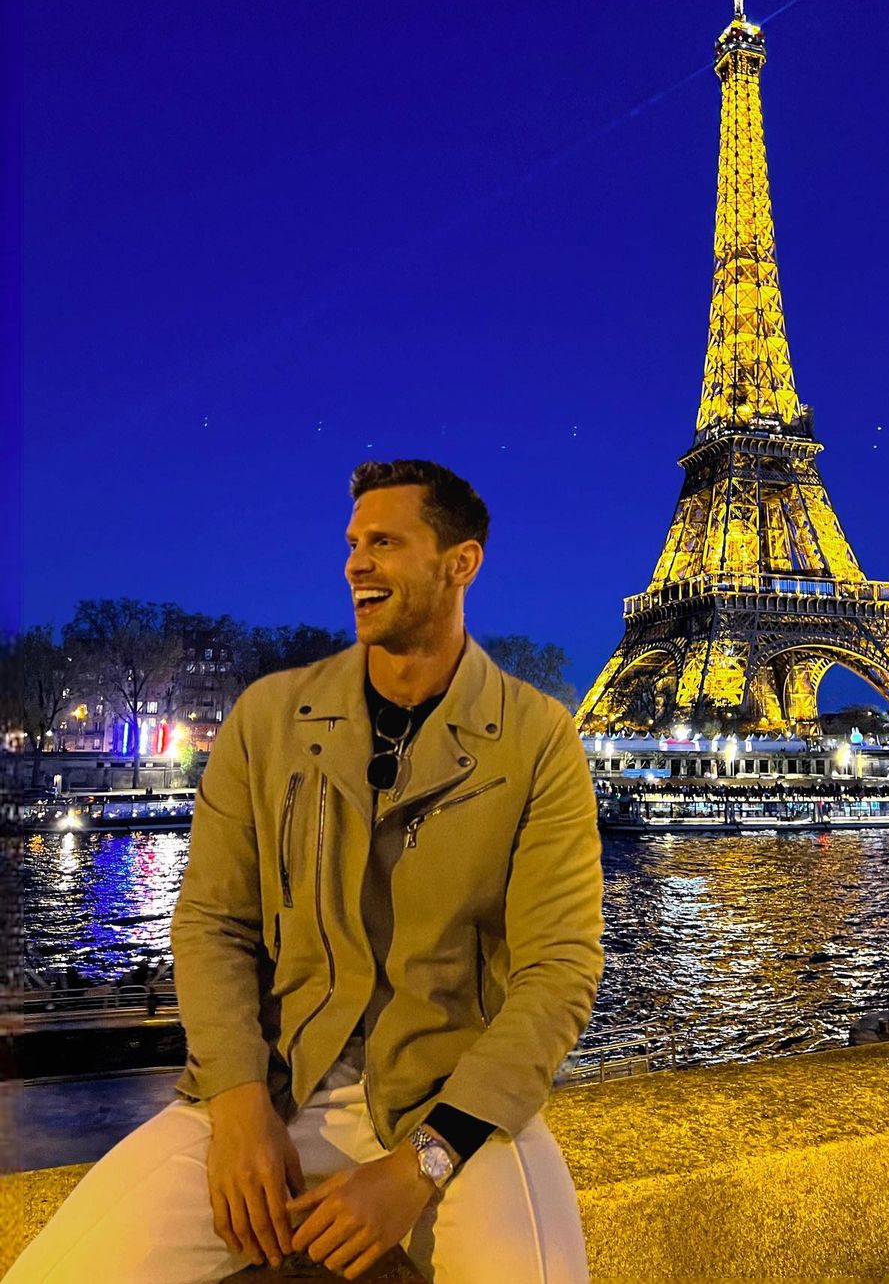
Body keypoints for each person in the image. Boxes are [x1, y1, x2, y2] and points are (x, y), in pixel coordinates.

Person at [9, 458, 604, 1283]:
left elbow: (558, 970)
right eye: (353, 543)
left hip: (449, 1104)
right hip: (278, 1085)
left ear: (460, 563)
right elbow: (213, 924)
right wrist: (237, 1102)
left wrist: (424, 1162)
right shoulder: (266, 720)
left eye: (385, 542)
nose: (356, 563)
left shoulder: (540, 741)